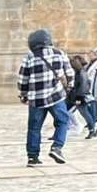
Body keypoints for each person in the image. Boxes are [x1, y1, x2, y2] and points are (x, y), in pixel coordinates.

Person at [17, 29, 75, 166]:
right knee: (62, 122)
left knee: (34, 128)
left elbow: (23, 79)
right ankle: (57, 147)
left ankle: (33, 157)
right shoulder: (60, 53)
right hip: (56, 96)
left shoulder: (30, 57)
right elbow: (70, 73)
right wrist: (69, 86)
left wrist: (24, 95)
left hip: (36, 98)